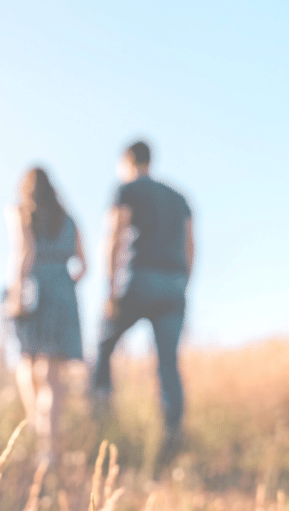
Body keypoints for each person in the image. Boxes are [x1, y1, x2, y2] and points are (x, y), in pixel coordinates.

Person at [91, 140, 194, 476]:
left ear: (127, 161)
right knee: (168, 362)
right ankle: (173, 434)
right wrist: (183, 284)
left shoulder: (126, 189)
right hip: (175, 284)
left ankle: (101, 420)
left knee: (105, 345)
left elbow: (114, 235)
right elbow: (191, 245)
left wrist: (110, 288)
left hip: (140, 278)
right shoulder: (179, 198)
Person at [5, 167, 87, 463]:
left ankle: (39, 435)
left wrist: (16, 293)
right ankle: (49, 448)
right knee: (53, 375)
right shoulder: (69, 219)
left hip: (34, 288)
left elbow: (23, 251)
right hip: (64, 291)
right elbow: (83, 264)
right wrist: (64, 286)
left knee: (27, 362)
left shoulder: (20, 211)